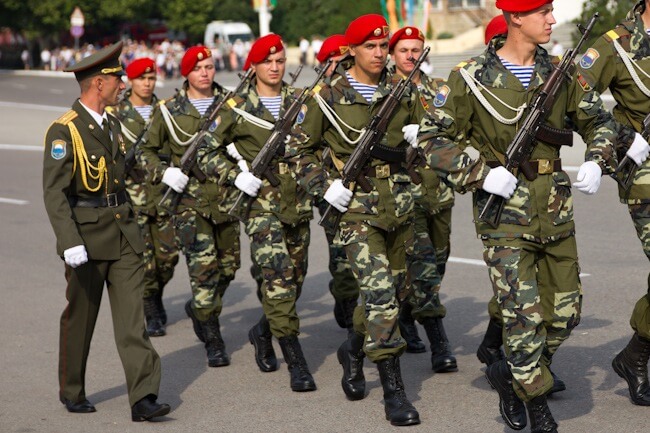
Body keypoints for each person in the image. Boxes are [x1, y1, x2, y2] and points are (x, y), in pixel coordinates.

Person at [417, 1, 619, 431]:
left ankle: (511, 375)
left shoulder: (561, 71)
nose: (551, 19)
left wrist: (598, 159)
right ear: (515, 18)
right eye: (543, 12)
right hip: (504, 215)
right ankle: (537, 404)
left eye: (551, 10)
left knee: (565, 313)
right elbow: (433, 139)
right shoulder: (472, 76)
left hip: (554, 210)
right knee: (522, 316)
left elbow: (600, 122)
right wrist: (478, 174)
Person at [290, 14, 425, 426]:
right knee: (381, 297)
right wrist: (323, 185)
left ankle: (353, 346)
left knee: (396, 293)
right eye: (371, 46)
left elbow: (425, 136)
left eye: (383, 46)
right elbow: (299, 152)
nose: (380, 53)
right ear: (351, 50)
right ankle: (395, 392)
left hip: (398, 206)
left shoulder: (401, 89)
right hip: (355, 212)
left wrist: (422, 138)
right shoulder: (325, 95)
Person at [42, 41, 170, 421]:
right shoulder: (65, 131)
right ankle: (72, 389)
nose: (124, 86)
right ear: (99, 83)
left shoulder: (112, 123)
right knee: (81, 317)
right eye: (118, 80)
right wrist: (69, 242)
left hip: (123, 233)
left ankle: (143, 396)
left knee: (133, 320)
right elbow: (54, 193)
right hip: (86, 237)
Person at [199, 34, 317, 393]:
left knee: (294, 280)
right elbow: (206, 151)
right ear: (253, 66)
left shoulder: (300, 101)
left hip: (296, 202)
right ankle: (296, 361)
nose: (275, 66)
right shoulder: (234, 106)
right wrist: (237, 175)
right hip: (261, 207)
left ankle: (262, 331)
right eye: (268, 61)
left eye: (280, 60)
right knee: (278, 279)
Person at [138, 45, 238, 368]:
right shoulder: (169, 111)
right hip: (189, 205)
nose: (205, 73)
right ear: (187, 74)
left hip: (226, 199)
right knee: (203, 271)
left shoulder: (232, 103)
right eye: (198, 69)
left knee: (229, 267)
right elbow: (145, 153)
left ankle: (200, 310)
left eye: (209, 67)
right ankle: (213, 338)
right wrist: (164, 172)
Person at [576, 0, 650, 406]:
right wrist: (623, 139)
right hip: (645, 172)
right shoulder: (614, 45)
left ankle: (634, 355)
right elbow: (576, 103)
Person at [389, 26, 458, 371]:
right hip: (407, 194)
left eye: (416, 49)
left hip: (440, 193)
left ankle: (404, 316)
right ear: (393, 54)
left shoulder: (435, 89)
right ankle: (439, 342)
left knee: (439, 261)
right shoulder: (385, 92)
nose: (411, 56)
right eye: (404, 50)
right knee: (424, 266)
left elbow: (455, 128)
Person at [107, 57, 180, 337]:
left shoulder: (166, 110)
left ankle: (156, 292)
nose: (147, 84)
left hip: (162, 193)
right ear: (131, 82)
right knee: (144, 257)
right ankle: (150, 305)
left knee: (168, 256)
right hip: (132, 196)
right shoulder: (116, 113)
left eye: (151, 79)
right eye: (141, 79)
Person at [315, 34, 360, 334]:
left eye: (347, 62)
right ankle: (346, 305)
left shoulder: (358, 92)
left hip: (365, 185)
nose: (342, 69)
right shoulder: (319, 97)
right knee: (342, 257)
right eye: (337, 63)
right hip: (331, 186)